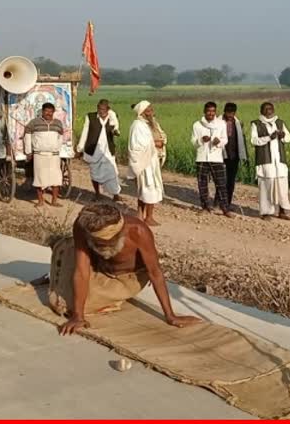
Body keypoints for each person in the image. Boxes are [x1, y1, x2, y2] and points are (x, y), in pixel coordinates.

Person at [40, 203, 203, 335]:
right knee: (67, 256)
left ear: (120, 234)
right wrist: (78, 317)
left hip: (126, 278)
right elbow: (82, 271)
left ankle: (57, 278)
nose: (102, 249)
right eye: (97, 244)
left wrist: (170, 316)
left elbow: (155, 272)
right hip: (97, 267)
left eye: (106, 244)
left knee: (66, 305)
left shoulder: (138, 231)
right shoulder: (82, 226)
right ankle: (58, 270)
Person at [250, 102, 290, 220]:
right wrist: (269, 138)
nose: (269, 110)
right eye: (266, 108)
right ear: (261, 110)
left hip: (279, 161)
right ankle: (266, 212)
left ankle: (282, 211)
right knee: (267, 186)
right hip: (265, 161)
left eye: (270, 108)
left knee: (282, 186)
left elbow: (288, 138)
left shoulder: (279, 122)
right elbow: (254, 141)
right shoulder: (256, 124)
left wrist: (282, 135)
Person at [191, 101, 233, 217]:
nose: (211, 113)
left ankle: (225, 208)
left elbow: (225, 139)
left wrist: (219, 142)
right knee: (202, 183)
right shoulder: (197, 125)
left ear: (216, 112)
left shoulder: (221, 124)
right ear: (204, 111)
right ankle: (205, 206)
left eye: (213, 111)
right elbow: (193, 142)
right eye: (209, 111)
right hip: (202, 157)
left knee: (221, 183)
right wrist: (201, 140)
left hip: (216, 157)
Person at [76, 99, 122, 201]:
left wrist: (115, 131)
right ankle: (97, 193)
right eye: (99, 109)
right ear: (97, 108)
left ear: (108, 109)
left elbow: (116, 130)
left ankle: (116, 194)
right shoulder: (90, 117)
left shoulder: (113, 118)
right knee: (95, 173)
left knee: (112, 172)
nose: (101, 111)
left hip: (107, 151)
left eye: (103, 109)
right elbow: (85, 132)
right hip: (93, 150)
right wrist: (80, 148)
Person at [127, 101, 164, 226]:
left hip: (151, 160)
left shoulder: (150, 123)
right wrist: (155, 144)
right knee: (148, 189)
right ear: (141, 111)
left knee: (146, 189)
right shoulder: (137, 125)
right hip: (145, 162)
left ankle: (142, 216)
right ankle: (148, 217)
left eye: (150, 108)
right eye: (147, 109)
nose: (150, 110)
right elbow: (137, 145)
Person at [24, 102, 64, 207]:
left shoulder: (58, 123)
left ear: (53, 112)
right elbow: (27, 136)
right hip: (39, 155)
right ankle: (40, 201)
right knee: (40, 179)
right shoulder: (34, 123)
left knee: (56, 178)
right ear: (42, 111)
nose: (48, 113)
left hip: (54, 155)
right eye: (46, 111)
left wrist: (57, 148)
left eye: (51, 111)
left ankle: (54, 201)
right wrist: (28, 152)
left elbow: (60, 138)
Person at [215, 102, 248, 209]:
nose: (230, 115)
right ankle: (218, 201)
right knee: (221, 180)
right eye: (228, 112)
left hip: (234, 156)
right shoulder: (218, 123)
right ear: (224, 112)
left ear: (235, 113)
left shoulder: (238, 123)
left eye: (232, 113)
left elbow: (242, 140)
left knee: (231, 181)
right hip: (221, 155)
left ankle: (226, 203)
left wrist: (245, 155)